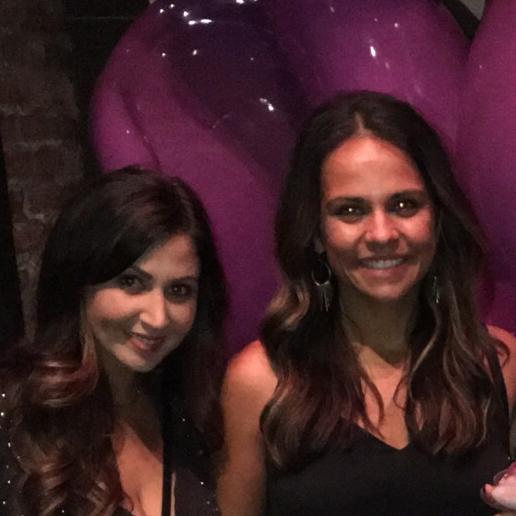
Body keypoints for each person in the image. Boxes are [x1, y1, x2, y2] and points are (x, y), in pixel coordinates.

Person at [217, 91, 516, 516]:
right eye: (350, 210)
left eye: (404, 205)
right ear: (316, 233)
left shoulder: (500, 366)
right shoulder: (260, 383)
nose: (381, 234)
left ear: (438, 219)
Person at [0, 168, 227, 515]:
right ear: (79, 280)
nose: (158, 317)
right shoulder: (16, 416)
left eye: (179, 290)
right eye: (132, 282)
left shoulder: (189, 411)